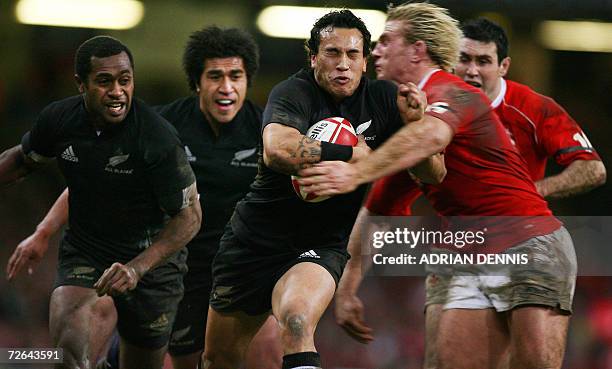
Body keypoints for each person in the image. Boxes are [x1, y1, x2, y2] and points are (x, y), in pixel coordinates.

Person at [300, 3, 582, 369]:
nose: (376, 50)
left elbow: (432, 135)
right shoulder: (406, 125)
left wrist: (357, 170)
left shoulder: (455, 92)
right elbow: (378, 211)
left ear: (417, 50)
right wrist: (348, 287)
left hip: (528, 241)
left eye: (387, 40)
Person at [6, 27, 282, 369]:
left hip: (236, 268)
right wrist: (44, 231)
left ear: (247, 81)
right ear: (197, 82)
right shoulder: (161, 127)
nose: (226, 87)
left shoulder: (268, 134)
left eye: (236, 76)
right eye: (215, 76)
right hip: (171, 264)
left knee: (267, 349)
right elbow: (92, 178)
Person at [201, 10, 444, 369]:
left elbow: (434, 173)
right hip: (254, 241)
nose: (342, 64)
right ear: (313, 57)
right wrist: (351, 151)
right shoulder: (294, 92)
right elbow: (278, 151)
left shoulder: (385, 100)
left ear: (364, 61)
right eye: (332, 53)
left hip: (321, 243)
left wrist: (415, 126)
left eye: (352, 55)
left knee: (297, 320)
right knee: (219, 358)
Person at [0, 36, 201, 369]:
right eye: (104, 81)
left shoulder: (156, 138)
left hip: (154, 267)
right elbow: (21, 161)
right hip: (88, 251)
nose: (117, 91)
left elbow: (190, 217)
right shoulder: (60, 120)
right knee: (66, 359)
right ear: (81, 84)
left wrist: (138, 267)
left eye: (125, 81)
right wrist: (44, 231)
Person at [456, 17, 606, 198]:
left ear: (503, 66)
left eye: (483, 61)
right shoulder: (434, 101)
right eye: (464, 59)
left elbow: (593, 168)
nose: (472, 71)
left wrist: (527, 195)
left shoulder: (534, 108)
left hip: (516, 223)